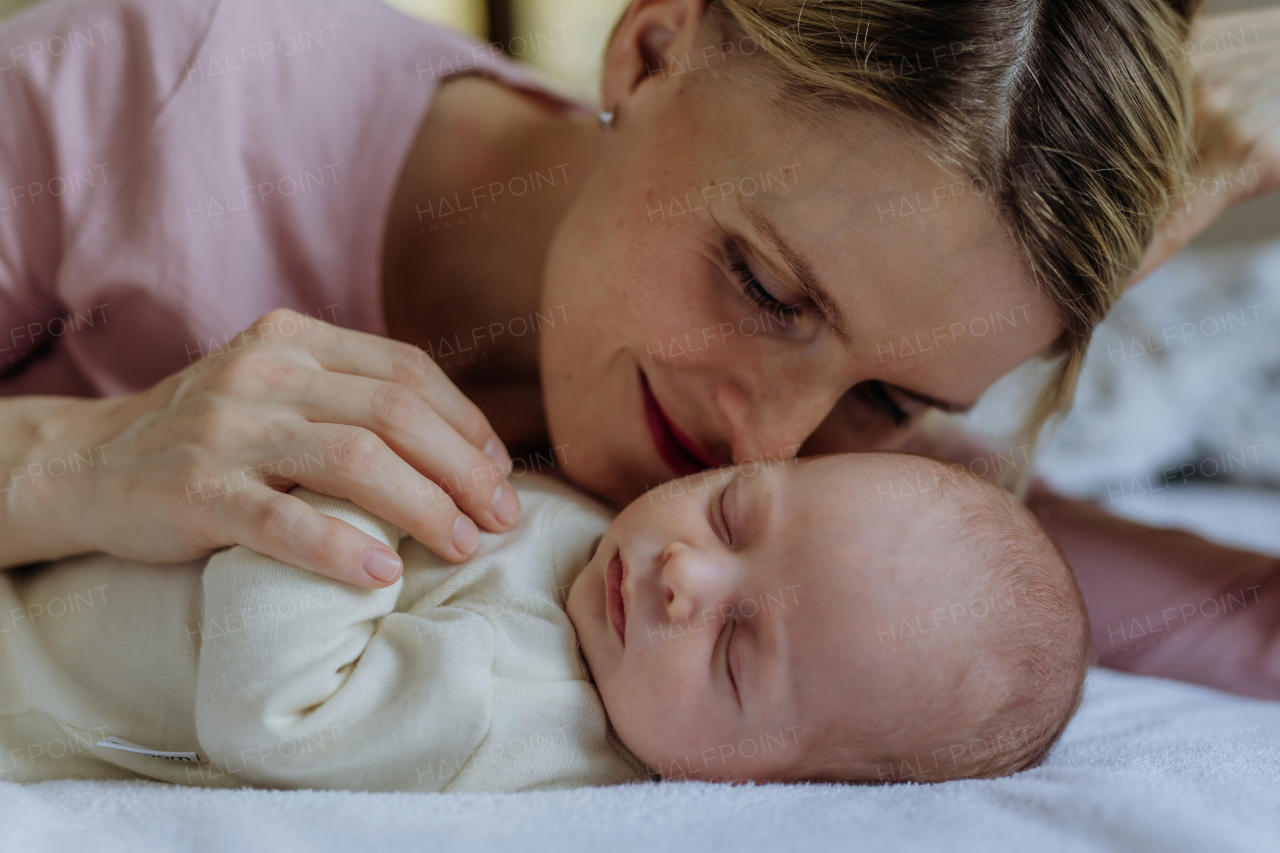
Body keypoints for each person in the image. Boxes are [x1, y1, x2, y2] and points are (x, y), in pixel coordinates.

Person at [0, 0, 1275, 695]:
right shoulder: (143, 95)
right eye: (768, 287)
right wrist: (81, 459)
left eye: (890, 395)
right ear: (651, 44)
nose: (767, 443)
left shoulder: (859, 510)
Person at [0, 453, 1088, 788]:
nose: (683, 575)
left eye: (735, 646)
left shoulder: (520, 717)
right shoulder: (597, 551)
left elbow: (276, 713)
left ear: (764, 778)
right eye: (731, 508)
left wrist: (343, 488)